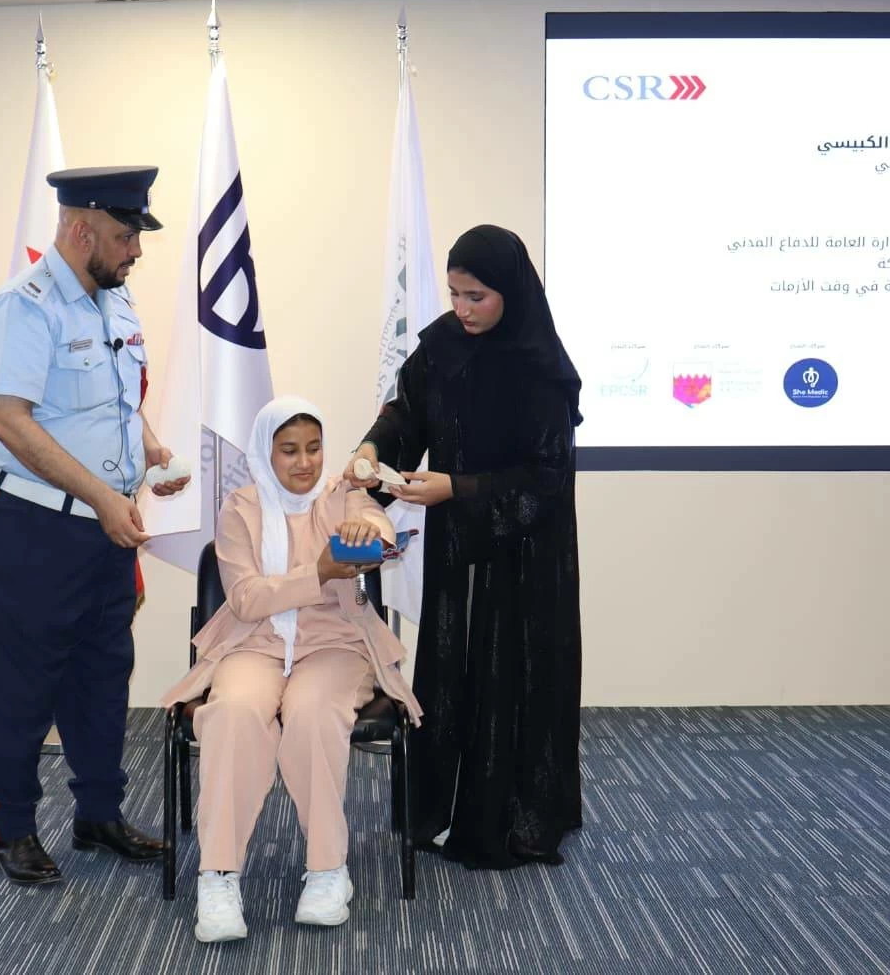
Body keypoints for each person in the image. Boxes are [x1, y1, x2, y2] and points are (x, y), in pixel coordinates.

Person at [0, 165, 190, 886]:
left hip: (104, 528)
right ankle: (12, 826)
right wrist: (101, 495)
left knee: (101, 674)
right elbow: (10, 420)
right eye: (126, 236)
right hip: (32, 524)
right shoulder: (24, 309)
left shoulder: (113, 300)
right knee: (20, 681)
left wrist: (151, 452)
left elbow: (117, 403)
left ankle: (99, 814)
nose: (137, 251)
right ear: (81, 229)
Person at [345, 224, 583, 870]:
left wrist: (459, 487)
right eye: (455, 294)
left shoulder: (541, 369)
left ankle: (510, 821)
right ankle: (440, 810)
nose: (463, 309)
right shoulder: (442, 347)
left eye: (477, 296)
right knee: (453, 669)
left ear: (511, 291)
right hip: (458, 547)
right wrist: (373, 448)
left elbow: (548, 478)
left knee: (514, 677)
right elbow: (405, 415)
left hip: (526, 557)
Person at [162, 397, 423, 943]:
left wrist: (369, 537)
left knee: (312, 712)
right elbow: (247, 599)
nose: (305, 462)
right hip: (253, 642)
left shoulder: (342, 494)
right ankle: (218, 874)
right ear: (266, 452)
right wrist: (319, 571)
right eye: (289, 451)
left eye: (314, 448)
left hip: (334, 643)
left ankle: (328, 869)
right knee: (233, 712)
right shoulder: (240, 508)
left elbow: (377, 532)